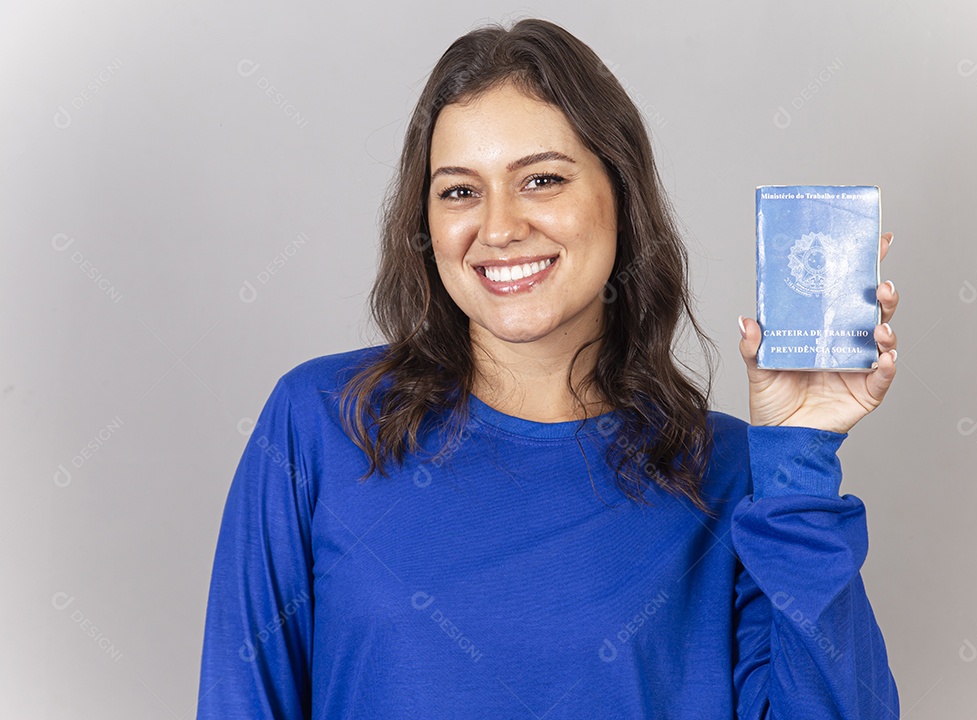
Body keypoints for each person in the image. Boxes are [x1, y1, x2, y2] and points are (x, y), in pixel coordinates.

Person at [196, 17, 902, 719]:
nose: (500, 228)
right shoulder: (322, 420)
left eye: (541, 180)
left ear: (620, 196)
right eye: (459, 191)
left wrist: (800, 456)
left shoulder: (729, 472)